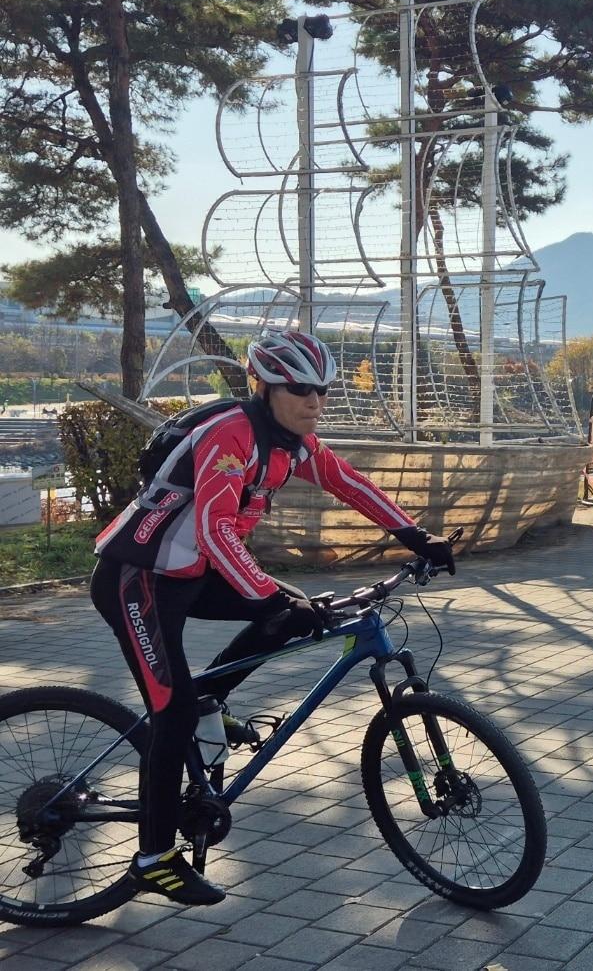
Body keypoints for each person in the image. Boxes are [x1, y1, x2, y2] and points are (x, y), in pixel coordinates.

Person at [90, 330, 456, 906]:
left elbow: (348, 481)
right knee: (174, 711)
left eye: (323, 392)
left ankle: (210, 698)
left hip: (192, 572)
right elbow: (213, 527)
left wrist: (415, 535)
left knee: (291, 617)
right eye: (301, 390)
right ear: (266, 387)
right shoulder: (231, 436)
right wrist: (266, 595)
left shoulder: (295, 443)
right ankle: (153, 858)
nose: (315, 402)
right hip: (138, 578)